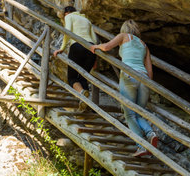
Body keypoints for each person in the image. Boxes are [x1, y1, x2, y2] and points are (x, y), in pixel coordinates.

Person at [90, 20, 158, 157]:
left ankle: (141, 145)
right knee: (139, 113)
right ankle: (151, 133)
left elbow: (108, 47)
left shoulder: (123, 36)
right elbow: (150, 72)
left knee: (129, 114)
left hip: (129, 75)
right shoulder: (144, 45)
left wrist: (96, 46)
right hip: (144, 79)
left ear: (124, 29)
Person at [53, 6, 97, 106]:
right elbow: (95, 40)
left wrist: (62, 48)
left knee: (72, 78)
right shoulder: (86, 20)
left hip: (77, 46)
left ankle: (81, 93)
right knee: (83, 77)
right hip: (90, 49)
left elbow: (67, 32)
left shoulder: (69, 17)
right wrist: (95, 59)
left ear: (67, 13)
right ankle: (85, 103)